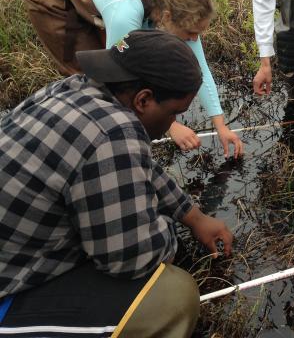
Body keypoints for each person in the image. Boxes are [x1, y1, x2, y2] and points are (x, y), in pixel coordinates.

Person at [0, 30, 233, 337]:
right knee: (172, 296)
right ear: (144, 100)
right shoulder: (114, 131)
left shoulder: (72, 88)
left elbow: (137, 168)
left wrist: (194, 216)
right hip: (9, 289)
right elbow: (134, 259)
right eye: (175, 112)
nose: (174, 121)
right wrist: (162, 227)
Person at [22, 0, 243, 157]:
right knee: (88, 75)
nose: (194, 39)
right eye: (191, 33)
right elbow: (115, 78)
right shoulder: (125, 11)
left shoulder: (178, 11)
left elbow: (200, 68)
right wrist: (170, 126)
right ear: (166, 17)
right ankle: (88, 144)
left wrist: (221, 126)